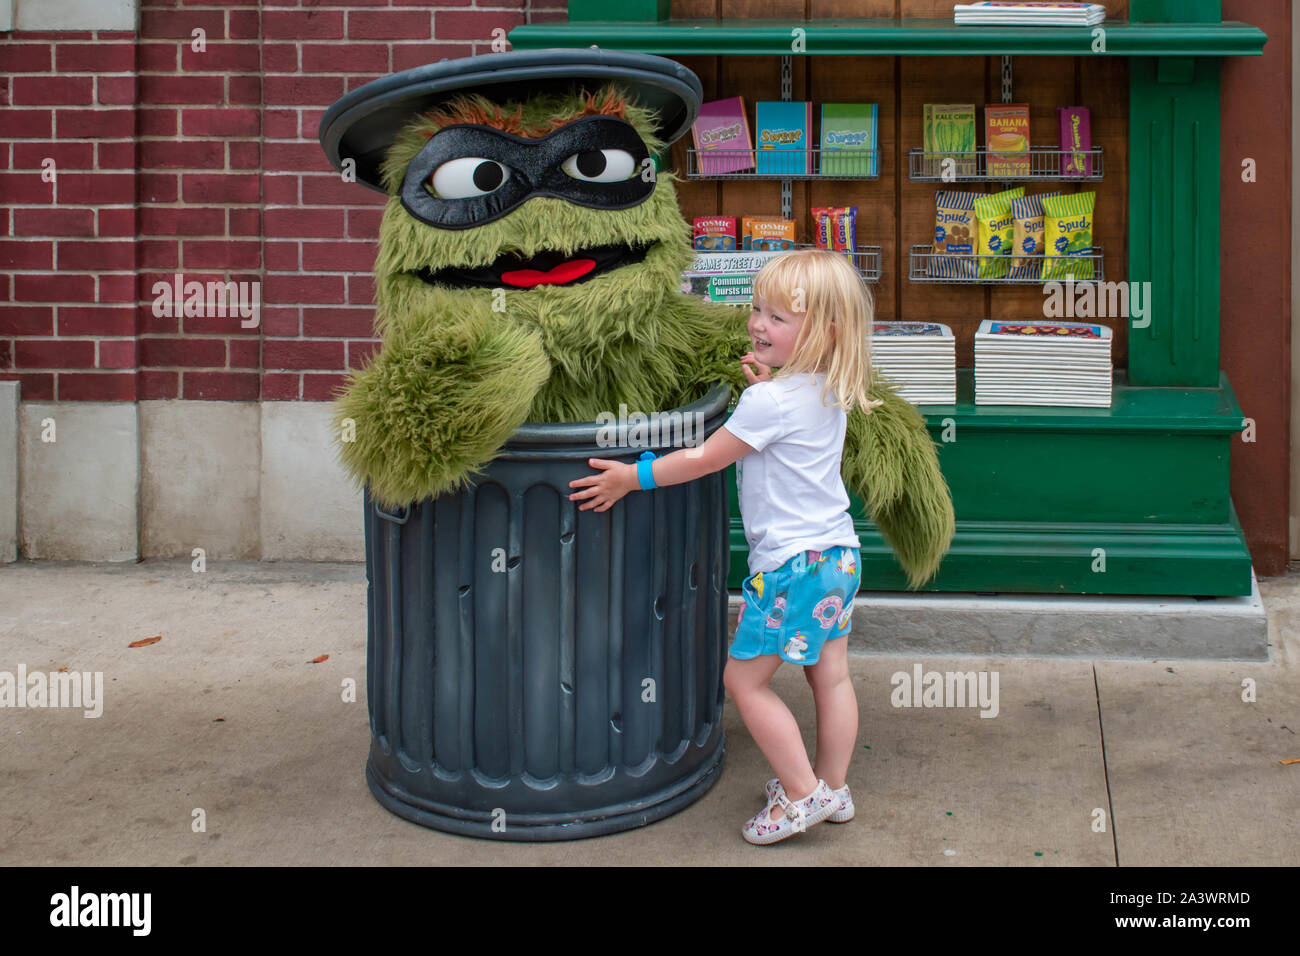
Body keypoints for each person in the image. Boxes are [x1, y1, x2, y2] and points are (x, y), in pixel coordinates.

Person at [567, 248, 884, 845]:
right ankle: (833, 788)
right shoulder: (826, 386)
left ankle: (800, 795)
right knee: (831, 676)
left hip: (791, 568)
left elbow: (705, 459)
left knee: (744, 683)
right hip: (839, 558)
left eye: (778, 318)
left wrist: (629, 478)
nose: (758, 324)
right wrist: (767, 388)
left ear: (823, 332)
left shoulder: (769, 402)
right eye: (758, 309)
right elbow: (786, 430)